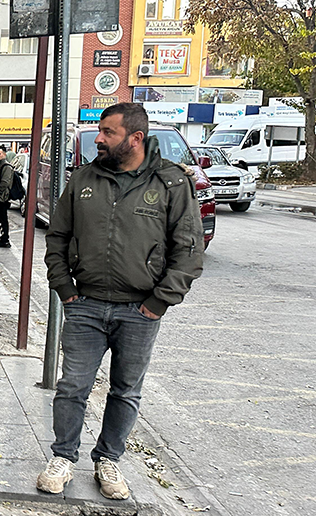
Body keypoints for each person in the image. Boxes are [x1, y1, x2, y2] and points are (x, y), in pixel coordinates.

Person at [37, 103, 203, 500]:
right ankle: (63, 457)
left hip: (140, 311)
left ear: (135, 138)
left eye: (108, 132)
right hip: (86, 305)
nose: (98, 138)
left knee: (125, 391)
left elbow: (189, 251)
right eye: (100, 131)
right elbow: (57, 238)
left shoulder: (171, 184)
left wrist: (159, 302)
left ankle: (108, 459)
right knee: (72, 386)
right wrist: (66, 289)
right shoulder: (83, 180)